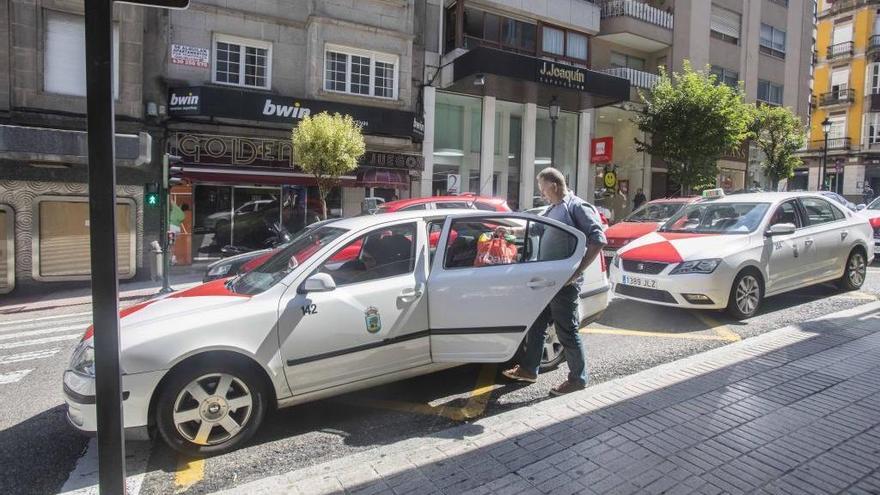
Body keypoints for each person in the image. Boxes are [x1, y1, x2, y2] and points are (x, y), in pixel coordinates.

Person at [502, 167, 607, 396]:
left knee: (566, 331)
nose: (542, 193)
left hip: (565, 283)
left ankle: (578, 379)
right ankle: (529, 369)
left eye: (543, 188)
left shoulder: (577, 207)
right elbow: (536, 229)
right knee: (537, 324)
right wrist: (507, 231)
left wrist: (577, 272)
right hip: (548, 282)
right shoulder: (552, 209)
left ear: (555, 186)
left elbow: (598, 240)